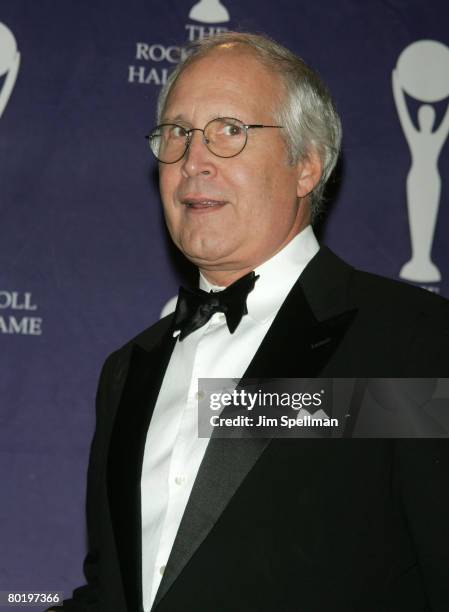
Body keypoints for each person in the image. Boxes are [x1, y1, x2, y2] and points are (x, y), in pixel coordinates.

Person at [50, 32, 449, 612]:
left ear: (307, 164)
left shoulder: (412, 341)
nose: (193, 160)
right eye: (177, 133)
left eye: (229, 131)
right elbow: (114, 593)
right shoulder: (127, 371)